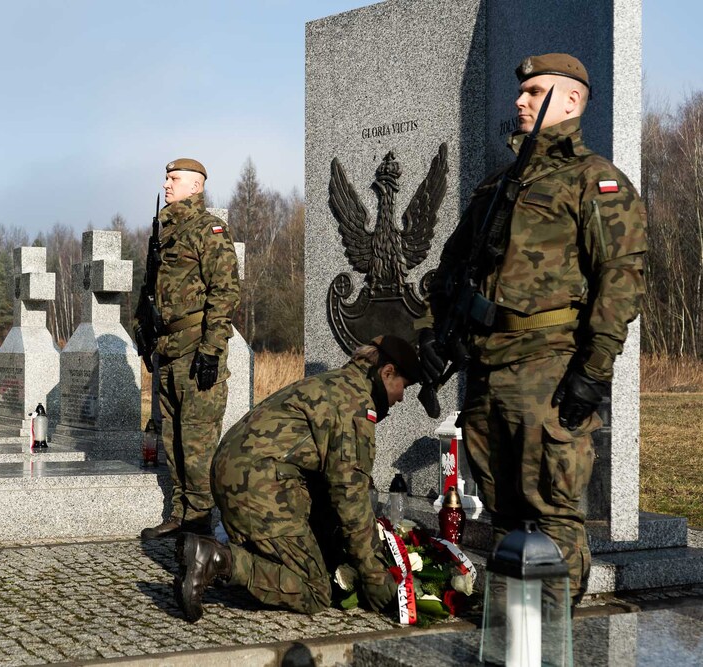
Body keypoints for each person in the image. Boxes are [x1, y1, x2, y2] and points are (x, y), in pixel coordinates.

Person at [418, 54, 647, 607]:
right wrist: (433, 332)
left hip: (549, 365)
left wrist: (594, 371)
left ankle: (551, 627)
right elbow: (451, 269)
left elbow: (621, 280)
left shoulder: (595, 179)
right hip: (487, 367)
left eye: (535, 91)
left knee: (552, 507)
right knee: (501, 508)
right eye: (521, 91)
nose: (520, 100)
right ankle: (509, 622)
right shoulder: (498, 184)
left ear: (571, 100)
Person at [175, 336, 422, 622]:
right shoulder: (355, 404)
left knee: (316, 556)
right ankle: (217, 560)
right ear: (387, 372)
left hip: (239, 475)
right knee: (315, 590)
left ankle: (247, 558)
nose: (401, 398)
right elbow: (349, 496)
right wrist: (375, 576)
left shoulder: (336, 383)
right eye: (403, 387)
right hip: (259, 485)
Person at [139, 158, 241, 540]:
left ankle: (199, 524)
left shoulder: (208, 229)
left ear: (195, 186)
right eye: (166, 178)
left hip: (196, 350)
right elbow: (152, 288)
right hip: (168, 351)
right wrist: (143, 331)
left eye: (174, 178)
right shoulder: (166, 232)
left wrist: (212, 350)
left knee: (197, 443)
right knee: (173, 440)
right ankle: (180, 515)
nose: (166, 184)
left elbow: (225, 292)